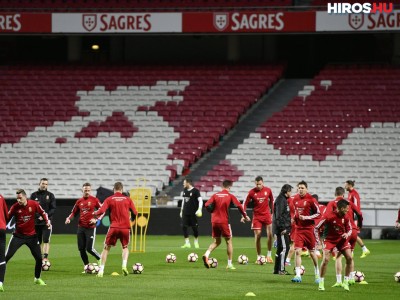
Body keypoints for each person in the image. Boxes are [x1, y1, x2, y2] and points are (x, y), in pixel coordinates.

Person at [92, 182, 137, 277]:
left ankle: (101, 271)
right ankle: (124, 266)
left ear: (114, 189)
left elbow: (101, 211)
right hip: (125, 227)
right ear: (122, 189)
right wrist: (132, 218)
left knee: (106, 248)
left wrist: (94, 213)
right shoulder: (128, 199)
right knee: (125, 247)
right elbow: (135, 212)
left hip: (114, 227)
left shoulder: (109, 199)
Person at [202, 180, 250, 270]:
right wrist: (245, 216)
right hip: (224, 222)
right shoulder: (230, 195)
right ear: (229, 187)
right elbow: (239, 206)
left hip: (214, 221)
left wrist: (212, 211)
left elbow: (207, 204)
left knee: (217, 241)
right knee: (228, 241)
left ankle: (206, 254)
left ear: (222, 186)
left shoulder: (215, 195)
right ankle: (229, 264)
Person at [6, 189, 50, 286]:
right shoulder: (15, 207)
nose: (18, 200)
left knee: (39, 258)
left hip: (32, 237)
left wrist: (47, 222)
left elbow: (43, 213)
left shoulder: (34, 204)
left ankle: (37, 278)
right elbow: (6, 218)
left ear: (25, 197)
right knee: (6, 257)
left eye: (20, 198)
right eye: (17, 198)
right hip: (18, 236)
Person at [325, 187, 365, 287]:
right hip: (353, 231)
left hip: (343, 232)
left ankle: (339, 281)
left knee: (339, 256)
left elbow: (326, 216)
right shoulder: (348, 203)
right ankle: (350, 279)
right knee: (350, 255)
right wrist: (360, 224)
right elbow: (359, 213)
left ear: (335, 194)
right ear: (343, 195)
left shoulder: (332, 203)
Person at [315, 199, 353, 292]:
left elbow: (350, 229)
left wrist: (347, 234)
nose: (348, 210)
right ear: (341, 208)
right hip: (329, 240)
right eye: (346, 208)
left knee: (349, 258)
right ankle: (321, 283)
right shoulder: (328, 216)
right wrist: (318, 242)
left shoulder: (346, 216)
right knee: (326, 260)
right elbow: (316, 228)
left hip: (341, 240)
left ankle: (345, 282)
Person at [65, 182, 102, 271]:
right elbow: (73, 212)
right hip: (81, 227)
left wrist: (96, 219)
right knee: (81, 249)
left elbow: (102, 210)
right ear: (82, 190)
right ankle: (86, 266)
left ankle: (100, 259)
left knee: (89, 248)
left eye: (88, 190)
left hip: (91, 227)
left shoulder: (95, 200)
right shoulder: (79, 201)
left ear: (91, 190)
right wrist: (69, 218)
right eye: (85, 190)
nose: (87, 192)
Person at [291, 180, 321, 283]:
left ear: (306, 189)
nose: (300, 189)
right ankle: (298, 275)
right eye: (299, 188)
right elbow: (295, 212)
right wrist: (294, 218)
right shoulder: (295, 199)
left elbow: (318, 213)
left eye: (302, 188)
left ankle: (317, 274)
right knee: (297, 251)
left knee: (312, 253)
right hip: (299, 229)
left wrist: (307, 218)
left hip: (309, 230)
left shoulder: (311, 199)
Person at [242, 176, 274, 263]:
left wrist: (272, 213)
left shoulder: (268, 190)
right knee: (258, 235)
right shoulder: (252, 192)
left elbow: (271, 201)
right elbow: (244, 203)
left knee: (270, 234)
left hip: (267, 215)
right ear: (255, 183)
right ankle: (259, 256)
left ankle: (269, 255)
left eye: (260, 184)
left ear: (262, 183)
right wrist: (243, 214)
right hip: (257, 216)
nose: (258, 186)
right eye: (257, 184)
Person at [30, 178, 56, 261]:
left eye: (46, 184)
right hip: (36, 222)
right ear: (39, 184)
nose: (44, 185)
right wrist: (38, 216)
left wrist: (45, 216)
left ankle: (45, 258)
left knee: (46, 240)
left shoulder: (51, 195)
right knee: (37, 242)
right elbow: (30, 208)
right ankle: (38, 257)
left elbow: (53, 208)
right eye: (43, 183)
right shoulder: (33, 195)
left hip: (46, 222)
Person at [345, 180, 370, 258]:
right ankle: (356, 250)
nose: (344, 186)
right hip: (352, 215)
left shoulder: (354, 194)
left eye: (345, 185)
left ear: (349, 185)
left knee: (353, 233)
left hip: (354, 216)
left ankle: (362, 249)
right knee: (352, 233)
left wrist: (355, 217)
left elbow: (355, 208)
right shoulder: (350, 193)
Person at [272, 184, 293, 275]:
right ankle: (281, 269)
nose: (291, 193)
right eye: (290, 191)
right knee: (285, 248)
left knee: (280, 249)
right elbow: (279, 216)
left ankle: (276, 270)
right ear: (286, 191)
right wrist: (283, 228)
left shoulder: (282, 199)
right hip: (282, 229)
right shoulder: (281, 200)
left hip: (282, 228)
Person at [179, 178, 203, 249]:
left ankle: (196, 242)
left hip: (193, 213)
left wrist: (199, 209)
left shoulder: (196, 191)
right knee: (184, 227)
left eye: (184, 182)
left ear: (188, 183)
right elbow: (183, 201)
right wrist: (181, 210)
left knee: (194, 228)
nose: (183, 184)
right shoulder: (185, 190)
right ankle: (187, 243)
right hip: (185, 212)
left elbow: (200, 201)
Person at [0, 194, 8, 292]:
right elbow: (7, 214)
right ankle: (0, 283)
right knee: (1, 257)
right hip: (1, 228)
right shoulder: (1, 197)